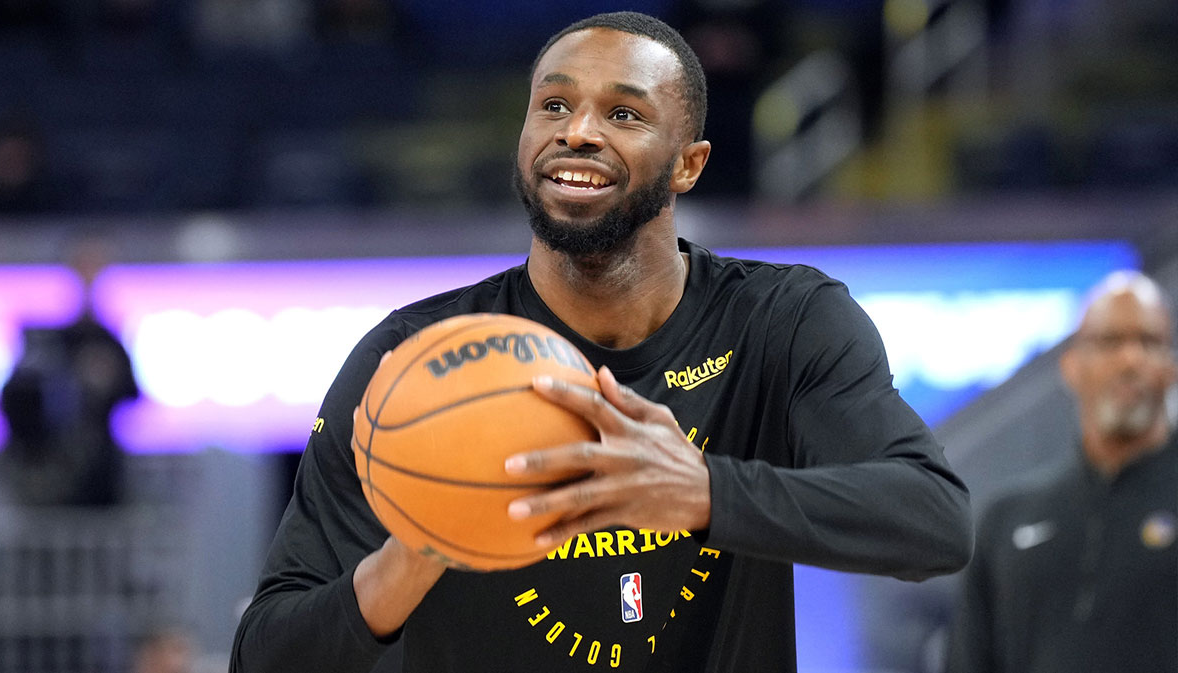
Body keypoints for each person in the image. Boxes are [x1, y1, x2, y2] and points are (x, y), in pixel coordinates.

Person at [231, 12, 972, 672]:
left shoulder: (783, 320)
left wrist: (704, 491)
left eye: (622, 112)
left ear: (689, 163)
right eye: (553, 105)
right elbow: (263, 654)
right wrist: (409, 560)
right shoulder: (413, 359)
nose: (577, 130)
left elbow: (933, 520)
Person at [945, 271, 1178, 673]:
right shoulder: (1006, 521)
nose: (1131, 359)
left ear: (1171, 368)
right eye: (1110, 341)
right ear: (1071, 366)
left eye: (1150, 342)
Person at [0, 234, 139, 506]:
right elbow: (14, 402)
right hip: (48, 475)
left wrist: (107, 380)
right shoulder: (46, 339)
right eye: (83, 265)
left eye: (96, 267)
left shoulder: (109, 341)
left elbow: (133, 394)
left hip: (99, 475)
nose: (89, 275)